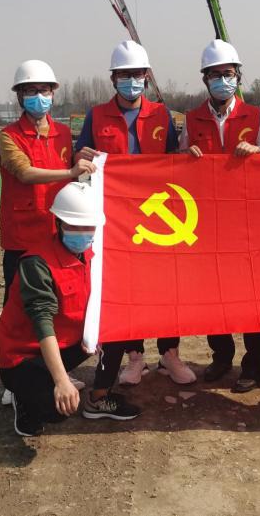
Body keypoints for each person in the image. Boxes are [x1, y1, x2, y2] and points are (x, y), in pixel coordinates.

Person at [73, 40, 194, 386]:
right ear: (113, 78)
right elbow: (79, 156)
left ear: (146, 76)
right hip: (118, 219)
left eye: (137, 74)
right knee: (128, 289)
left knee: (166, 288)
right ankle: (135, 357)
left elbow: (172, 160)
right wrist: (81, 158)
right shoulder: (97, 115)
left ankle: (169, 354)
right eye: (124, 75)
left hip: (158, 215)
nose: (131, 81)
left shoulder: (160, 114)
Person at [0, 181, 141, 436]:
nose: (84, 233)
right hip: (25, 357)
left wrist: (94, 333)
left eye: (89, 226)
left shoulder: (91, 255)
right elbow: (42, 324)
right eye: (75, 225)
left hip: (69, 344)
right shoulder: (36, 264)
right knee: (57, 410)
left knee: (118, 327)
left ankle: (99, 398)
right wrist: (61, 380)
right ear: (59, 223)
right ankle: (24, 397)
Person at [0, 59, 95, 405]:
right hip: (22, 237)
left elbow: (70, 168)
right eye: (30, 91)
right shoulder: (8, 137)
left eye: (44, 90)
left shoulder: (63, 134)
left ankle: (53, 370)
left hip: (57, 235)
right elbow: (24, 173)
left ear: (53, 93)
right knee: (19, 309)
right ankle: (17, 380)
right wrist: (70, 172)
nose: (38, 97)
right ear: (19, 97)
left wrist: (80, 160)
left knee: (60, 307)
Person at [181, 39, 260, 392]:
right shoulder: (192, 119)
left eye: (229, 73)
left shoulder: (255, 115)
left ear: (238, 76)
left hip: (248, 220)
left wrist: (258, 151)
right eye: (215, 74)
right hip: (207, 222)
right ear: (205, 78)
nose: (223, 80)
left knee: (253, 295)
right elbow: (176, 164)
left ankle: (254, 362)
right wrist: (185, 156)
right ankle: (221, 356)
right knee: (213, 293)